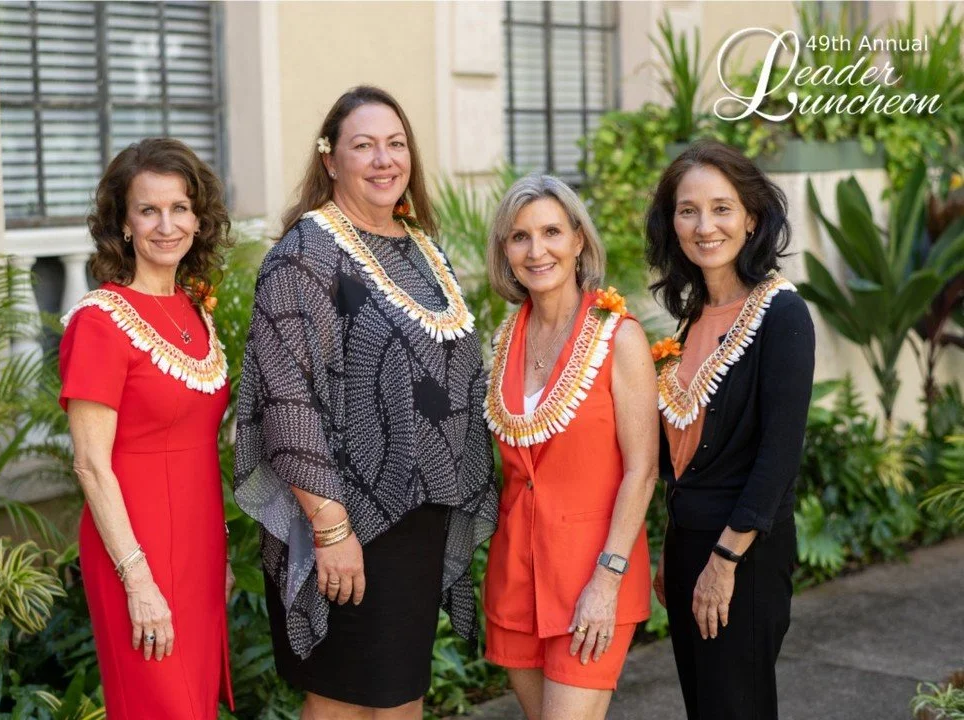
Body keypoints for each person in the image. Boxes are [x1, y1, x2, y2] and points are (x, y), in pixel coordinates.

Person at [233, 86, 497, 719]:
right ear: (330, 159)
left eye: (396, 144)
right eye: (364, 145)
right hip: (345, 521)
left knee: (400, 700)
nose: (384, 160)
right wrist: (331, 532)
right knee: (344, 703)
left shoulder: (419, 247)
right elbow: (287, 401)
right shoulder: (305, 257)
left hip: (417, 521)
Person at [59, 138, 235, 719]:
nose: (166, 225)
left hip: (200, 545)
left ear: (198, 219)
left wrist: (220, 553)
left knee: (195, 704)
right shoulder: (99, 322)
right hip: (134, 550)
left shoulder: (195, 310)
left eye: (180, 208)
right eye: (148, 210)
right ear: (124, 223)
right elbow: (90, 464)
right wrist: (137, 580)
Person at [646, 139, 815, 720]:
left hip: (743, 554)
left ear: (752, 218)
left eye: (722, 208)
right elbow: (681, 456)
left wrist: (723, 561)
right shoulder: (690, 318)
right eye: (687, 210)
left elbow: (779, 455)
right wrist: (672, 547)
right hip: (688, 546)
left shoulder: (781, 314)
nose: (704, 226)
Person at [482, 174, 658, 720]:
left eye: (552, 232)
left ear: (579, 240)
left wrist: (607, 579)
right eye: (520, 237)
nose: (537, 251)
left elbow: (643, 470)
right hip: (516, 577)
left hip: (592, 576)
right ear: (505, 251)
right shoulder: (504, 339)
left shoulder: (619, 336)